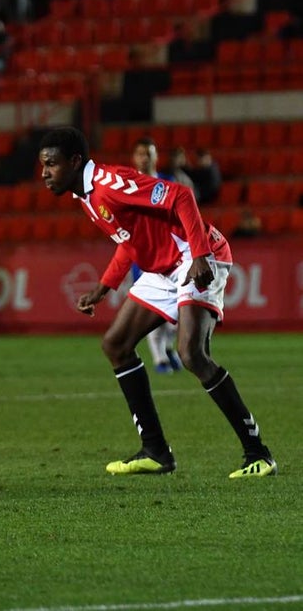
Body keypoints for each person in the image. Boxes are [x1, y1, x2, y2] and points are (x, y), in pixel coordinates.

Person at [38, 126, 275, 478]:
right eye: (43, 165)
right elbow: (129, 241)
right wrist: (103, 288)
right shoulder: (86, 195)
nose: (45, 174)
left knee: (192, 354)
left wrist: (199, 255)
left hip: (192, 256)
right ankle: (155, 451)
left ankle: (259, 454)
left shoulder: (108, 183)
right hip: (162, 267)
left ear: (75, 162)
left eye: (52, 164)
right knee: (116, 344)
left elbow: (180, 196)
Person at [129, 137, 180, 374]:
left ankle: (168, 346)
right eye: (140, 153)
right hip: (144, 256)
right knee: (152, 310)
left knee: (178, 311)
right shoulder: (128, 186)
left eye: (148, 153)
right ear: (134, 158)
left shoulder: (169, 183)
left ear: (156, 157)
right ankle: (160, 359)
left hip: (172, 255)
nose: (145, 158)